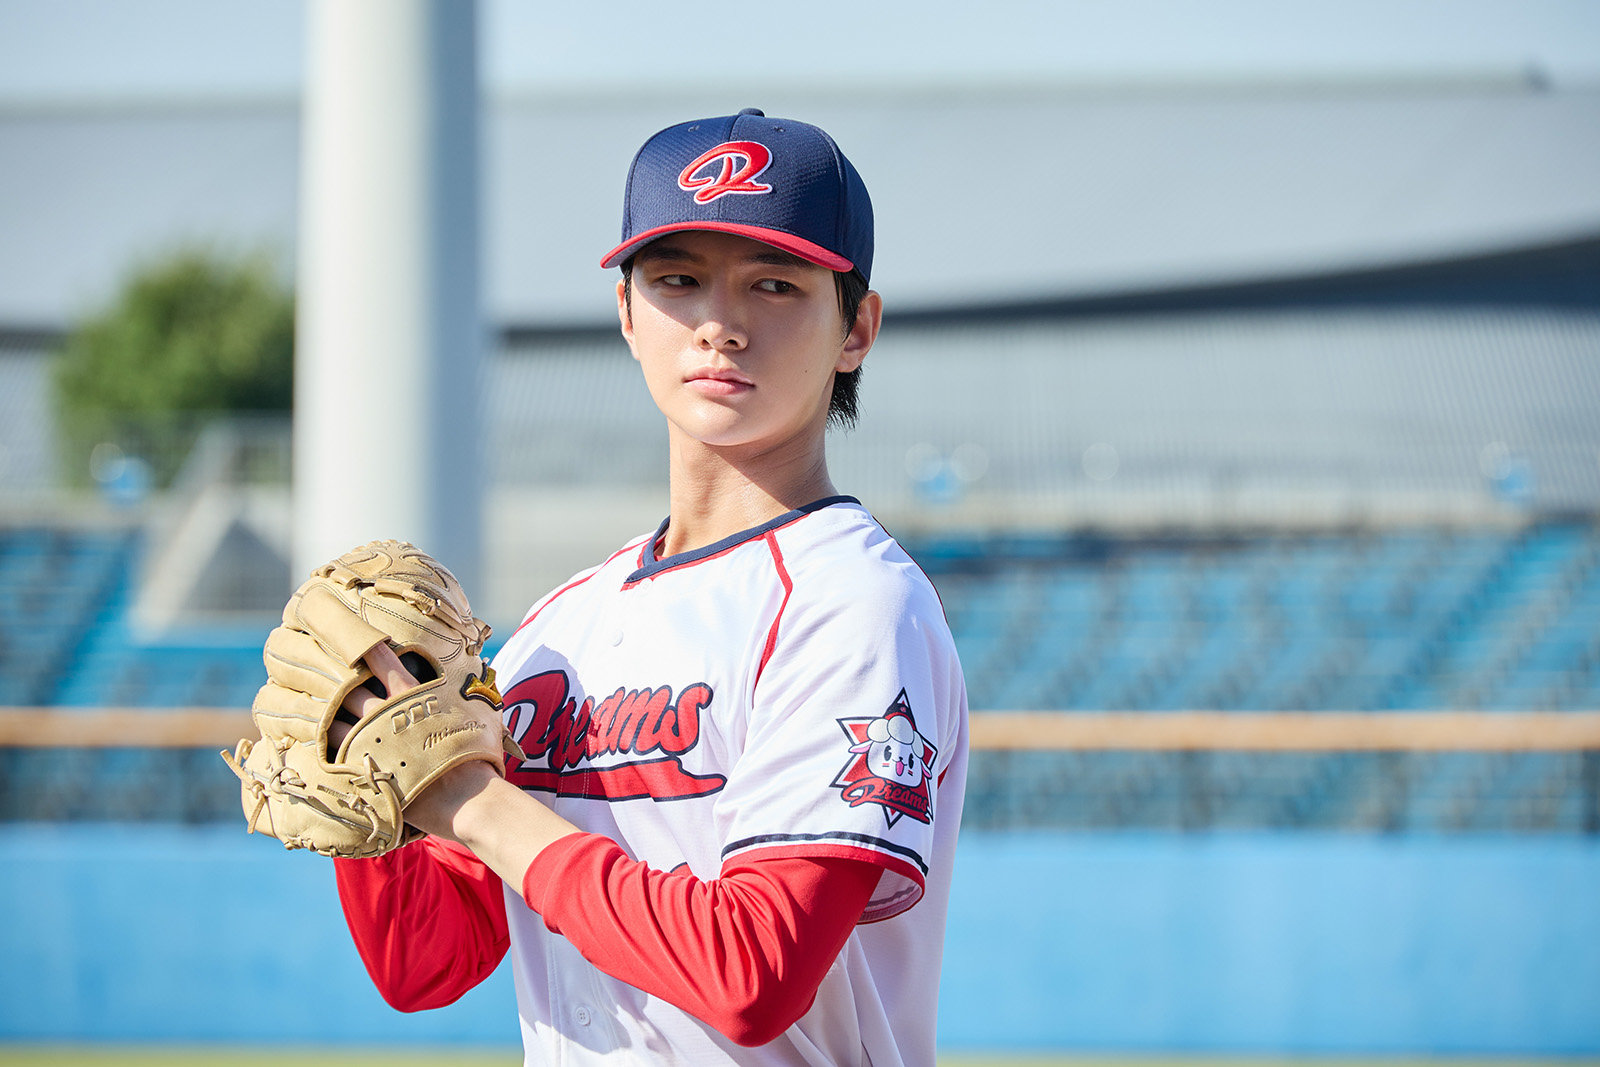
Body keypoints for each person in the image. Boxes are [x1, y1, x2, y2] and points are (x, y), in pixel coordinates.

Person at [333, 108, 970, 1066]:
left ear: (857, 330)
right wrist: (364, 788)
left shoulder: (855, 604)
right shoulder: (560, 628)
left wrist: (471, 800)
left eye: (775, 284)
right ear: (629, 314)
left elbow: (751, 973)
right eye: (678, 280)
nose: (721, 323)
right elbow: (427, 962)